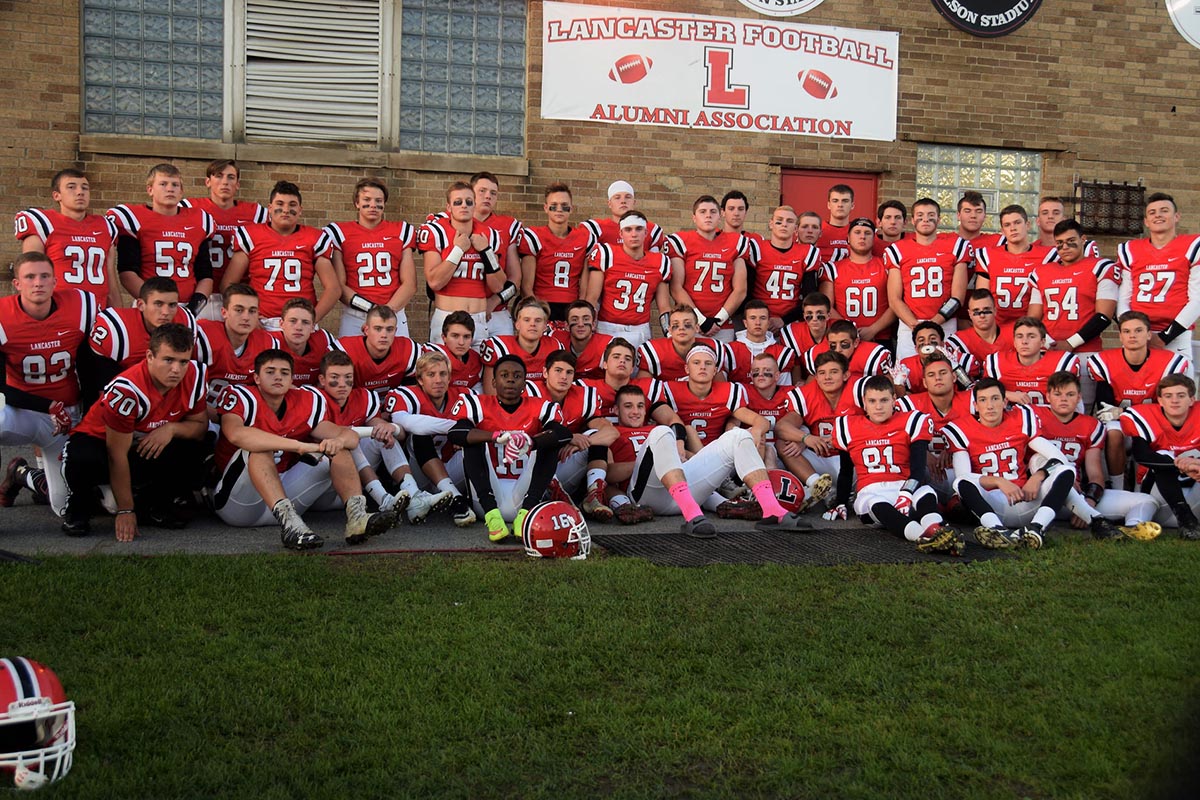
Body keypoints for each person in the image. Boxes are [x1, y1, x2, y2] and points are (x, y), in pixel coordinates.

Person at [210, 348, 396, 549]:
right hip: (241, 504)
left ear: (292, 379)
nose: (278, 377)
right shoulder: (241, 396)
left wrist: (338, 443)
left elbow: (348, 435)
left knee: (337, 449)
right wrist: (299, 446)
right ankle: (290, 526)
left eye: (284, 373)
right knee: (260, 450)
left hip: (289, 500)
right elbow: (236, 434)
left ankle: (357, 517)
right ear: (256, 377)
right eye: (270, 372)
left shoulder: (305, 400)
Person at [61, 324, 208, 538]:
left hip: (141, 445)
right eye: (168, 360)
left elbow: (199, 427)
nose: (176, 369)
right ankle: (78, 503)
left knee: (196, 449)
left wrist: (171, 428)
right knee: (84, 458)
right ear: (149, 356)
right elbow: (116, 454)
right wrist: (125, 510)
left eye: (183, 361)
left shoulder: (194, 375)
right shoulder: (127, 391)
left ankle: (151, 504)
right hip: (102, 446)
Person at [611, 392, 807, 536]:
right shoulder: (611, 432)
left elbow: (689, 454)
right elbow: (607, 474)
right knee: (661, 432)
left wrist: (679, 456)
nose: (635, 411)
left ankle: (772, 510)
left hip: (682, 491)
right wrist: (660, 459)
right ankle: (692, 514)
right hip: (645, 493)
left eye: (639, 406)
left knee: (738, 435)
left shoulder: (656, 428)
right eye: (628, 406)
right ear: (615, 410)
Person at [0, 253, 98, 516]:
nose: (38, 283)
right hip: (21, 411)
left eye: (44, 276)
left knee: (65, 506)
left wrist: (86, 414)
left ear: (55, 281)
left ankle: (22, 473)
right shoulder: (2, 316)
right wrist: (47, 405)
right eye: (30, 277)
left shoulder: (81, 306)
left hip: (66, 415)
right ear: (17, 284)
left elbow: (91, 369)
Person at [828, 376, 965, 554]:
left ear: (894, 400)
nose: (878, 406)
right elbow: (846, 470)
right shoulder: (847, 426)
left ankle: (937, 528)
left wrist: (906, 493)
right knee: (876, 503)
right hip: (871, 491)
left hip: (905, 485)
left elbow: (917, 468)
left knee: (926, 492)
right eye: (872, 401)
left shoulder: (911, 421)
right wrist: (840, 503)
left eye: (884, 400)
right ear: (864, 403)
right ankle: (924, 537)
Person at [316, 350, 453, 525]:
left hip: (354, 483)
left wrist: (388, 427)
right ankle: (384, 500)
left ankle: (413, 494)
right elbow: (325, 432)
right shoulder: (314, 398)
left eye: (347, 377)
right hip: (322, 487)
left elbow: (395, 431)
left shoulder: (364, 397)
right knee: (350, 441)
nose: (342, 384)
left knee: (382, 435)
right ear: (322, 380)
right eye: (335, 377)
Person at [448, 354, 572, 542]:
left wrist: (532, 442)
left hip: (524, 493)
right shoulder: (477, 404)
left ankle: (525, 516)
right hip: (487, 496)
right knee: (472, 440)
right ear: (494, 382)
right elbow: (456, 433)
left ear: (524, 383)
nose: (510, 380)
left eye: (517, 376)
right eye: (504, 375)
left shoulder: (541, 407)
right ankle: (493, 519)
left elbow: (563, 434)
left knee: (549, 443)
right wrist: (495, 436)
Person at [945, 378, 1077, 549]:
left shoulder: (1021, 420)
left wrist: (1037, 477)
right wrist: (999, 481)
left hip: (1026, 498)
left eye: (995, 398)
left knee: (1066, 470)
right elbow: (963, 478)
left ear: (1005, 401)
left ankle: (1036, 528)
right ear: (976, 406)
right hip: (993, 504)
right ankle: (997, 531)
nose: (990, 406)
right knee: (960, 483)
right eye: (983, 400)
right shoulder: (961, 429)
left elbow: (1059, 459)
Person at [1034, 371, 1160, 539]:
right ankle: (1094, 519)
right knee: (1042, 461)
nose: (1063, 399)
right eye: (1057, 394)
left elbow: (1095, 474)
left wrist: (1089, 501)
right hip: (1042, 492)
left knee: (1146, 501)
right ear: (1047, 396)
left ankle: (1129, 530)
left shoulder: (1090, 425)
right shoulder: (1033, 417)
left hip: (1076, 495)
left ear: (1079, 397)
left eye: (1070, 394)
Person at [1088, 311, 1191, 489]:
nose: (1132, 336)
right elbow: (1106, 410)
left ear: (1149, 334)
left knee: (1145, 434)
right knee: (1113, 432)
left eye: (1138, 330)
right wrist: (1127, 415)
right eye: (1127, 331)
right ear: (1120, 336)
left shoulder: (1169, 362)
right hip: (1121, 423)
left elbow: (1168, 408)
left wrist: (1128, 412)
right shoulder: (1104, 362)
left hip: (1154, 423)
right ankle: (1117, 486)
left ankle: (1140, 486)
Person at [221, 180, 339, 330]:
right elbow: (229, 284)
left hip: (300, 322)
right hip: (262, 321)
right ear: (269, 208)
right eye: (280, 203)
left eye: (292, 205)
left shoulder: (314, 238)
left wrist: (312, 318)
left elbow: (333, 288)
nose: (285, 209)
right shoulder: (251, 235)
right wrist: (248, 316)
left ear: (300, 210)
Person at [1027, 218, 1118, 407]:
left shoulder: (1100, 267)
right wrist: (1050, 343)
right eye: (1059, 243)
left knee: (1082, 410)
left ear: (1083, 239)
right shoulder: (1042, 272)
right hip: (1050, 351)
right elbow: (1033, 319)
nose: (1065, 247)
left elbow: (1104, 317)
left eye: (1070, 241)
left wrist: (1070, 343)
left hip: (1085, 351)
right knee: (1050, 408)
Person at [383, 350, 475, 526]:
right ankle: (457, 500)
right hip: (418, 473)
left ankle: (482, 501)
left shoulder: (464, 396)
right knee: (419, 435)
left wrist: (468, 434)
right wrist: (459, 430)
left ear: (449, 378)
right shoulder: (407, 395)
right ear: (419, 379)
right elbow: (410, 424)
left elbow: (483, 427)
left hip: (450, 468)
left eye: (443, 374)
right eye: (431, 375)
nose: (438, 380)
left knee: (477, 445)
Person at [107, 163, 214, 312]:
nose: (170, 189)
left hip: (188, 306)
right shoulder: (134, 219)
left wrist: (194, 308)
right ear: (150, 190)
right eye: (163, 184)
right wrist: (153, 303)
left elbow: (205, 274)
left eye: (175, 185)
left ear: (181, 191)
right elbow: (127, 272)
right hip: (148, 305)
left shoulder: (199, 220)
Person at [526, 350, 617, 521]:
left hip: (563, 466)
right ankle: (550, 495)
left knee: (595, 434)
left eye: (569, 372)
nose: (564, 377)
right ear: (545, 372)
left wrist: (582, 441)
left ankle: (593, 496)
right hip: (531, 469)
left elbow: (611, 432)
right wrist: (568, 437)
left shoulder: (584, 396)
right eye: (558, 371)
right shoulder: (531, 392)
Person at [1117, 192, 1200, 378]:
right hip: (1138, 334)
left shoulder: (1192, 245)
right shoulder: (1130, 250)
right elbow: (1123, 298)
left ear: (1176, 217)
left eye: (1164, 211)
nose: (1158, 215)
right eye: (1152, 212)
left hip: (1176, 333)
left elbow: (1197, 300)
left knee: (1178, 393)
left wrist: (1164, 337)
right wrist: (1133, 330)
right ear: (1146, 221)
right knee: (1135, 388)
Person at [324, 178, 418, 338]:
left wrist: (387, 311)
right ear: (357, 203)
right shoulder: (339, 233)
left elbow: (410, 284)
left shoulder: (401, 230)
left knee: (400, 361)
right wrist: (372, 309)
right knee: (350, 360)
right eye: (367, 200)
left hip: (393, 312)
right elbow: (340, 286)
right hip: (356, 315)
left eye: (378, 200)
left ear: (384, 203)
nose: (373, 205)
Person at [15, 168, 121, 308]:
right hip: (58, 311)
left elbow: (111, 280)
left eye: (85, 188)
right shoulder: (44, 224)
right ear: (56, 195)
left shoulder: (106, 227)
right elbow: (31, 277)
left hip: (97, 312)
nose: (80, 192)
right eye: (71, 187)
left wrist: (118, 315)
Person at [417, 181, 508, 344]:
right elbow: (435, 282)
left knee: (477, 369)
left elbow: (498, 286)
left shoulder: (489, 235)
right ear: (449, 207)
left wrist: (486, 251)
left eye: (469, 202)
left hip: (479, 320)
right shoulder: (436, 231)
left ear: (474, 205)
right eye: (458, 202)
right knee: (443, 368)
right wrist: (458, 250)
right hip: (447, 316)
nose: (464, 206)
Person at [884, 198, 970, 362]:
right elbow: (894, 299)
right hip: (910, 324)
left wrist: (934, 324)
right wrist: (916, 326)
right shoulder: (897, 250)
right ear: (912, 220)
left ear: (938, 219)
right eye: (920, 215)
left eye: (931, 215)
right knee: (907, 375)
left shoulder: (956, 246)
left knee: (945, 372)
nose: (925, 219)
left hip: (945, 322)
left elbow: (958, 297)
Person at [180, 159, 267, 320]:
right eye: (219, 176)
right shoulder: (189, 208)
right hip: (200, 292)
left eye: (231, 177)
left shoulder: (256, 213)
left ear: (238, 184)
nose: (225, 182)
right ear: (208, 181)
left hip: (237, 295)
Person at [1119, 375, 1200, 538]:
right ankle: (1184, 517)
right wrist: (1181, 465)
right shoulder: (1145, 416)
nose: (1174, 401)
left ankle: (1189, 522)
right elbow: (1142, 455)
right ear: (1160, 401)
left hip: (1195, 496)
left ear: (1192, 400)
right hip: (1159, 500)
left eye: (1181, 395)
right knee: (1162, 454)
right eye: (1168, 396)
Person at [775, 351, 865, 495]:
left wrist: (839, 439)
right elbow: (781, 427)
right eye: (822, 373)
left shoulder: (860, 390)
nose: (827, 377)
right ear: (816, 377)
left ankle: (859, 492)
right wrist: (806, 438)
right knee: (783, 443)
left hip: (855, 462)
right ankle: (818, 485)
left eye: (834, 372)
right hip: (822, 458)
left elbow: (880, 425)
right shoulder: (806, 395)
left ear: (846, 375)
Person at [665, 195, 749, 342]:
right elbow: (676, 288)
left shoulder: (735, 242)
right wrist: (700, 319)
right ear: (694, 217)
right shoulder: (681, 242)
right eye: (702, 212)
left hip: (722, 325)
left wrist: (718, 319)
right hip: (688, 322)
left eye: (713, 212)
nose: (708, 215)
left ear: (720, 216)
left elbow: (740, 289)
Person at [584, 210, 673, 348]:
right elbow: (592, 298)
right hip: (607, 327)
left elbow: (664, 307)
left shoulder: (660, 262)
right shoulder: (607, 254)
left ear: (646, 232)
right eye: (628, 229)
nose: (633, 234)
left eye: (639, 229)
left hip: (640, 329)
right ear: (620, 233)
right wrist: (589, 327)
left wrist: (669, 334)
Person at [894, 352, 976, 499]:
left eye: (943, 373)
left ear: (954, 377)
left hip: (967, 470)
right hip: (928, 474)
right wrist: (922, 453)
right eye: (931, 375)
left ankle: (963, 500)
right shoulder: (910, 404)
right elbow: (889, 433)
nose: (938, 378)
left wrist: (954, 447)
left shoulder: (972, 400)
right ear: (925, 382)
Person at [88, 277, 196, 385]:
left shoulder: (186, 321)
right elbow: (103, 389)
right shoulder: (116, 329)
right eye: (158, 304)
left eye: (172, 305)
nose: (166, 312)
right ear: (141, 305)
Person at [518, 183, 595, 323]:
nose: (559, 209)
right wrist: (537, 312)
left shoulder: (584, 237)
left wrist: (580, 309)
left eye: (564, 205)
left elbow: (584, 284)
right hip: (542, 303)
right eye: (554, 205)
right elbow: (526, 286)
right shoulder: (535, 237)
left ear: (571, 209)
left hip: (571, 305)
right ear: (546, 208)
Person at [193, 283, 275, 409]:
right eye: (239, 310)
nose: (246, 317)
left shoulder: (267, 343)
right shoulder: (203, 335)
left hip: (241, 416)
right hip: (199, 414)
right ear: (224, 312)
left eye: (252, 311)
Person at [819, 217, 896, 344]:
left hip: (880, 336)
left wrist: (873, 329)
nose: (862, 237)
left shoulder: (887, 266)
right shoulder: (833, 268)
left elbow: (896, 303)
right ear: (848, 238)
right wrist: (849, 330)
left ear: (874, 238)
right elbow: (827, 307)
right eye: (857, 232)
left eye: (867, 233)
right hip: (843, 338)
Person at [974, 205, 1052, 327]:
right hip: (996, 326)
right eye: (1007, 225)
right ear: (1002, 230)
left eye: (1017, 223)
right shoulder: (989, 256)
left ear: (1027, 225)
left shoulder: (1047, 256)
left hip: (1032, 325)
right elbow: (981, 297)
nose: (1013, 228)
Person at [467, 172, 524, 337]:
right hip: (463, 308)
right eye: (482, 191)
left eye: (493, 193)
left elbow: (515, 280)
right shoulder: (453, 222)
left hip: (497, 312)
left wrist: (493, 302)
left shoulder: (508, 226)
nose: (487, 196)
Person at [747, 205, 820, 332]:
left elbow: (809, 295)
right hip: (758, 320)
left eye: (789, 221)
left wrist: (784, 320)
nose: (784, 225)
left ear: (796, 228)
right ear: (771, 224)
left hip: (791, 321)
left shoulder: (807, 252)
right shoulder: (757, 248)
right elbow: (747, 291)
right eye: (779, 221)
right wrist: (760, 318)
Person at [984, 317, 1079, 406]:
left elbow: (1071, 402)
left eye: (1031, 336)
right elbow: (979, 393)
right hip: (1012, 421)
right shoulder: (997, 362)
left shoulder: (1061, 363)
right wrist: (1006, 394)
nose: (1024, 341)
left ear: (1042, 342)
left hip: (1050, 420)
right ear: (1014, 342)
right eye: (1019, 336)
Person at [480, 297, 563, 391]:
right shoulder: (498, 347)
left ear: (545, 326)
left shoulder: (554, 346)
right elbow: (491, 393)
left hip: (542, 403)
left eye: (538, 320)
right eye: (527, 320)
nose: (532, 324)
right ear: (517, 324)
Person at [338, 305, 419, 397]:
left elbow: (414, 391)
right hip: (356, 404)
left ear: (395, 331)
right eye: (378, 329)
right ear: (366, 330)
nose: (384, 335)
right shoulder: (345, 350)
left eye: (389, 329)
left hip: (393, 404)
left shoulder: (407, 349)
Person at [638, 305, 726, 382]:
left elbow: (720, 390)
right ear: (669, 330)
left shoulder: (713, 348)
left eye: (687, 324)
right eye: (676, 325)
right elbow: (644, 390)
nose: (681, 328)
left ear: (697, 328)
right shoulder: (654, 351)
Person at [889, 321, 972, 397]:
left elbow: (971, 391)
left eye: (932, 338)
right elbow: (901, 399)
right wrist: (898, 383)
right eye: (921, 340)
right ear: (916, 348)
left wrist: (956, 369)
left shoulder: (959, 360)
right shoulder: (905, 366)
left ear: (942, 344)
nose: (927, 343)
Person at [269, 298, 340, 387]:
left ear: (313, 327)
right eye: (293, 321)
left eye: (305, 322)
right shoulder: (269, 342)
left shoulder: (324, 340)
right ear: (281, 324)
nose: (299, 327)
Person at [945, 289, 1013, 378]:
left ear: (995, 311)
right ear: (969, 314)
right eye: (976, 311)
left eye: (986, 310)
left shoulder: (1014, 334)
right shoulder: (958, 341)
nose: (982, 315)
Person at [727, 300, 797, 384]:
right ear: (745, 323)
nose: (758, 323)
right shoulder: (729, 351)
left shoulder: (782, 353)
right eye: (753, 318)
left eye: (762, 318)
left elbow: (783, 391)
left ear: (768, 322)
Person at [583, 180, 664, 252]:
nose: (623, 201)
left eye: (628, 197)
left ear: (634, 202)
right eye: (617, 198)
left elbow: (653, 263)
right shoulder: (596, 229)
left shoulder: (651, 229)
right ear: (609, 203)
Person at [801, 319, 892, 383]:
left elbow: (887, 389)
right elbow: (811, 389)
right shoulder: (817, 354)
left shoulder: (873, 356)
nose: (838, 350)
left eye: (844, 344)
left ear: (856, 342)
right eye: (833, 345)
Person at [550, 300, 612, 380]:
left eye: (586, 319)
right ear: (567, 326)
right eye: (575, 319)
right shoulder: (554, 339)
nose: (580, 324)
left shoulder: (606, 344)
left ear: (593, 324)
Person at [425, 310, 483, 392]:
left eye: (466, 337)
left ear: (472, 339)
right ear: (444, 337)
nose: (461, 342)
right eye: (455, 336)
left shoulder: (476, 362)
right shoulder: (432, 355)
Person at [778, 292, 833, 356]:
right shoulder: (791, 333)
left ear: (828, 315)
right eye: (809, 314)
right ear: (804, 316)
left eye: (820, 314)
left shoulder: (838, 329)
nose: (814, 318)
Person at [816, 184, 853, 263]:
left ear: (852, 205)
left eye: (845, 201)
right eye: (835, 201)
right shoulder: (816, 229)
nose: (840, 205)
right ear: (829, 205)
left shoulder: (859, 231)